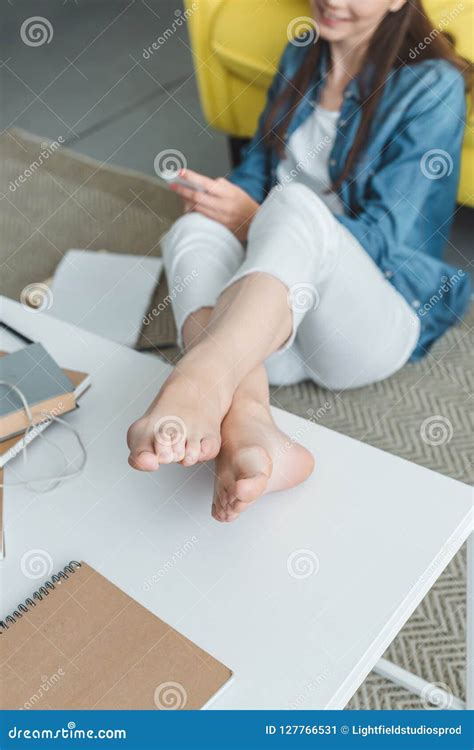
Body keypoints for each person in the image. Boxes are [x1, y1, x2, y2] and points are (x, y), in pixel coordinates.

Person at [127, 0, 472, 523]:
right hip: (272, 336)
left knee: (293, 204)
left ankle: (199, 378)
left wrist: (253, 218)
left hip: (367, 326)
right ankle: (250, 425)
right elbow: (259, 168)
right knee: (194, 228)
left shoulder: (432, 85)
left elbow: (391, 240)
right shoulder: (302, 52)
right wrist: (223, 201)